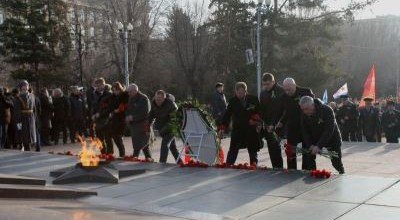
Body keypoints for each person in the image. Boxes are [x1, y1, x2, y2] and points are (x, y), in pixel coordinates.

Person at [219, 82, 262, 165]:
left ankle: (254, 166)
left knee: (253, 150)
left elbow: (259, 112)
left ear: (246, 91)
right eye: (239, 93)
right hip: (238, 129)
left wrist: (256, 121)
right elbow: (227, 115)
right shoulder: (232, 101)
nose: (240, 95)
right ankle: (228, 165)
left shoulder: (253, 99)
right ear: (235, 91)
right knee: (233, 150)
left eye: (243, 93)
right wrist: (222, 128)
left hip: (251, 129)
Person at [299, 96, 345, 174]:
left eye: (306, 109)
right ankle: (313, 174)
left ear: (313, 105)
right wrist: (310, 145)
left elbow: (329, 130)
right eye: (303, 109)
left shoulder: (326, 110)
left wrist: (319, 146)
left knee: (336, 163)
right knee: (309, 160)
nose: (305, 112)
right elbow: (305, 132)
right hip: (315, 139)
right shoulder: (304, 114)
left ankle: (342, 174)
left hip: (332, 139)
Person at [278, 77, 314, 170]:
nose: (287, 92)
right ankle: (291, 170)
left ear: (294, 85)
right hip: (292, 127)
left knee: (306, 151)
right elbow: (286, 112)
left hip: (306, 126)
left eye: (289, 89)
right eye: (285, 90)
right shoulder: (283, 97)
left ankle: (306, 170)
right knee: (291, 151)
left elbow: (313, 108)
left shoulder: (306, 92)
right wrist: (281, 122)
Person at [259, 73, 284, 168]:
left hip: (280, 124)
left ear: (273, 82)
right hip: (268, 125)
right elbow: (262, 110)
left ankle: (280, 169)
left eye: (268, 84)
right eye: (264, 84)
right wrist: (264, 123)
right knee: (271, 148)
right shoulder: (263, 93)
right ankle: (276, 167)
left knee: (277, 147)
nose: (266, 86)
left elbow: (284, 109)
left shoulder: (281, 91)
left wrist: (278, 123)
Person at [150, 90, 182, 164]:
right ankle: (180, 162)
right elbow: (151, 115)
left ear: (164, 99)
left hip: (172, 128)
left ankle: (162, 162)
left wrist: (164, 129)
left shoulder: (171, 105)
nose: (158, 101)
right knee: (172, 147)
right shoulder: (154, 103)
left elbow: (174, 120)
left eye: (160, 99)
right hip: (162, 128)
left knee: (165, 143)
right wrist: (148, 125)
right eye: (156, 98)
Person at [125, 84, 153, 160]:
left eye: (130, 92)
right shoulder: (131, 98)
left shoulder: (143, 98)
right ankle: (142, 157)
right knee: (137, 143)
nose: (128, 93)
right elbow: (128, 109)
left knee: (143, 143)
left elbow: (145, 113)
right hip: (134, 125)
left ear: (135, 91)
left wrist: (133, 117)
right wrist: (127, 116)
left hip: (143, 124)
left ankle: (141, 157)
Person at [13, 80, 37, 151]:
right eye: (23, 85)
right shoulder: (18, 98)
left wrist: (34, 119)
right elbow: (16, 112)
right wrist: (18, 123)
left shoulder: (32, 96)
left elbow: (34, 108)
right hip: (22, 119)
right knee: (23, 136)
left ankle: (28, 148)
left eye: (26, 85)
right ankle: (23, 147)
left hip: (31, 118)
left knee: (30, 137)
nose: (25, 87)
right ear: (21, 87)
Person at [91, 78, 113, 153]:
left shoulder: (109, 94)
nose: (97, 87)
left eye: (99, 85)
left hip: (106, 119)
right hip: (97, 120)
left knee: (108, 138)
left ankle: (110, 153)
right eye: (96, 86)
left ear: (103, 85)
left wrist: (99, 114)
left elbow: (110, 108)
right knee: (99, 138)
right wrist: (93, 114)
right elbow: (93, 106)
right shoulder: (94, 94)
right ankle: (103, 153)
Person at [107, 82, 129, 157]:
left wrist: (119, 110)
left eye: (116, 90)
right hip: (114, 119)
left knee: (118, 137)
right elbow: (111, 107)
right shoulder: (113, 97)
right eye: (113, 90)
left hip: (121, 119)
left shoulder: (125, 95)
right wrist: (112, 112)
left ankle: (122, 154)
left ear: (119, 89)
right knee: (114, 136)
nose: (115, 92)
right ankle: (115, 153)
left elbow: (126, 106)